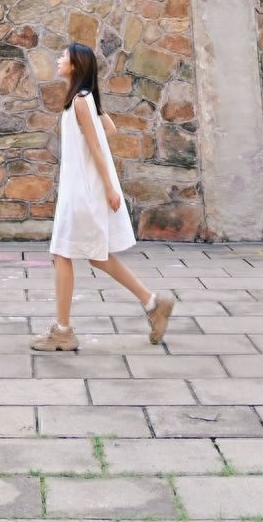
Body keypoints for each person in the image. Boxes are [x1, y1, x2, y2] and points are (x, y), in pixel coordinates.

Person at [31, 41, 175, 352]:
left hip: (82, 191)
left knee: (62, 253)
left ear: (75, 66)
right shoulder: (82, 99)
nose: (58, 60)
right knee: (96, 256)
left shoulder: (80, 101)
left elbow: (98, 146)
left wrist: (110, 187)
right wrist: (94, 103)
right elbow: (108, 128)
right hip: (80, 188)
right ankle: (153, 303)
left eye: (63, 57)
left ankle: (64, 331)